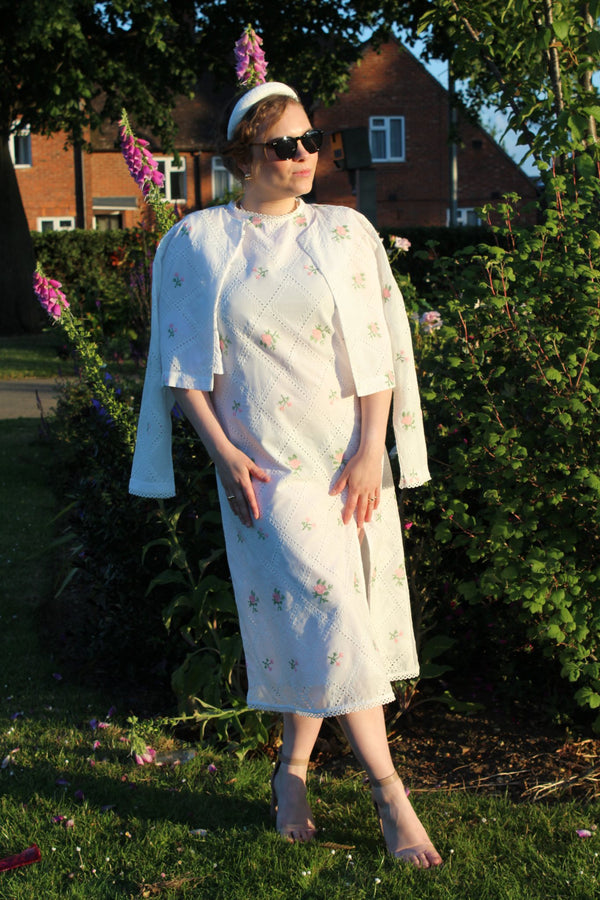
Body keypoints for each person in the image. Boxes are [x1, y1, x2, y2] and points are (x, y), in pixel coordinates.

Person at [129, 81, 442, 869]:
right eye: (285, 146)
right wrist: (221, 453)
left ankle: (292, 772)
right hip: (264, 471)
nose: (306, 157)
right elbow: (181, 365)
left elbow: (375, 348)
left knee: (334, 626)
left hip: (347, 463)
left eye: (313, 141)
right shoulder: (198, 242)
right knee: (332, 613)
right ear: (244, 157)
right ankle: (390, 794)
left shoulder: (345, 231)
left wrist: (376, 446)